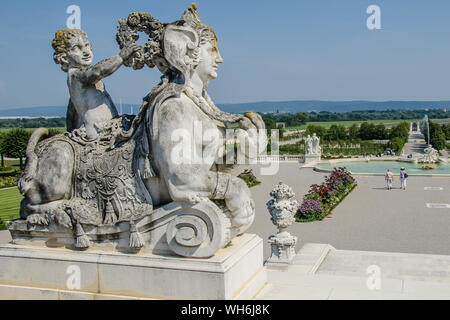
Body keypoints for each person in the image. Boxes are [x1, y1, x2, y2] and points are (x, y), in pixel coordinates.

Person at [52, 29, 140, 139]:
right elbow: (97, 72)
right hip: (98, 132)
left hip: (110, 127)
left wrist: (71, 129)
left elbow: (72, 110)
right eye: (76, 48)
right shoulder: (76, 75)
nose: (86, 52)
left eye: (87, 46)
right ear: (64, 57)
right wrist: (120, 57)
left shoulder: (80, 77)